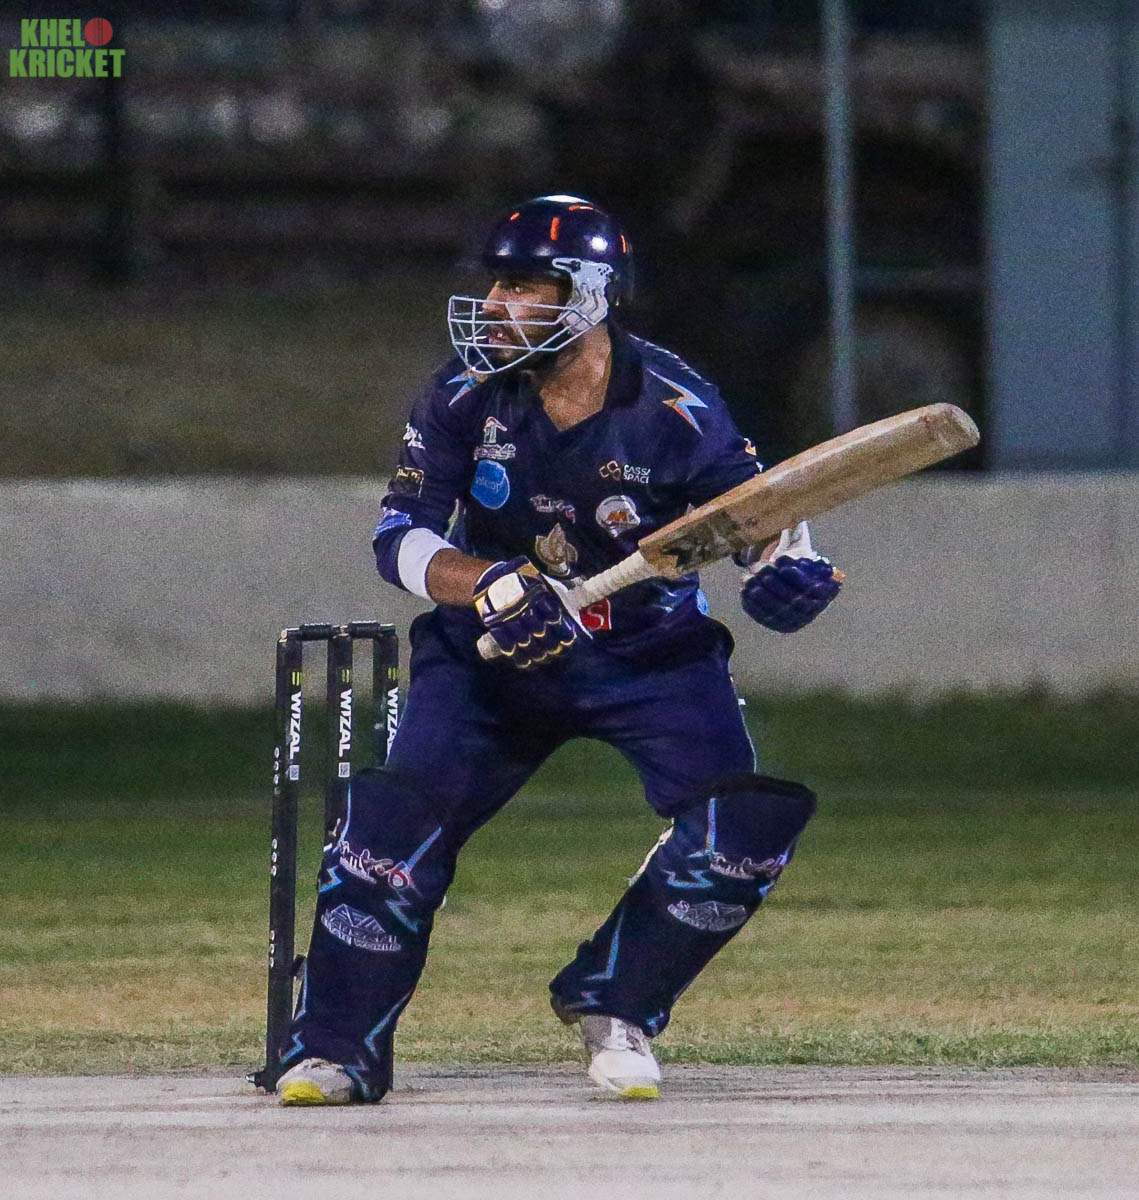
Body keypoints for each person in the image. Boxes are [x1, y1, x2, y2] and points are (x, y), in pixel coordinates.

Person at [275, 195, 841, 1106]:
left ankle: (614, 1003)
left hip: (648, 654)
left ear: (589, 295)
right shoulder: (462, 394)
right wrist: (491, 584)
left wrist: (788, 568)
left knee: (740, 832)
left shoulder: (676, 405)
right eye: (496, 284)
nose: (496, 304)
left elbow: (752, 516)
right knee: (388, 830)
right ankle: (337, 1049)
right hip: (488, 657)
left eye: (524, 286)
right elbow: (401, 538)